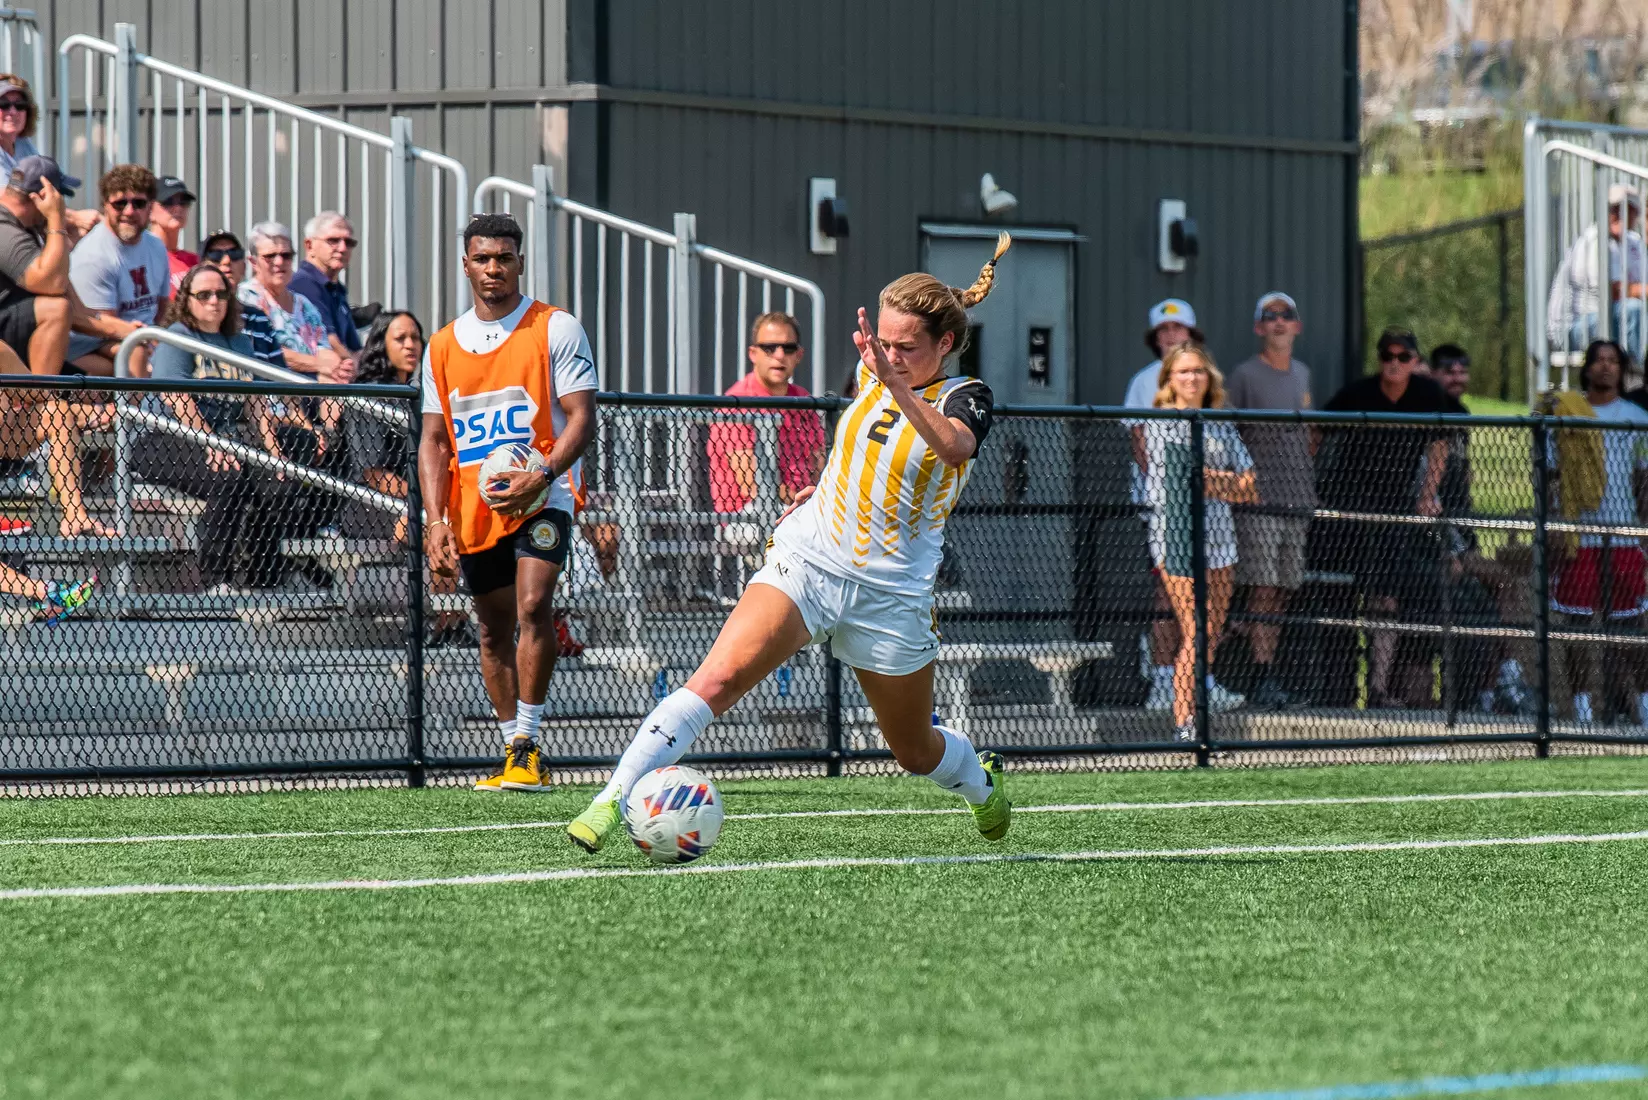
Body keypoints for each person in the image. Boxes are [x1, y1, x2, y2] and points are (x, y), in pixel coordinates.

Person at [565, 233, 1014, 854]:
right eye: (883, 341)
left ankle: (980, 783)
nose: (889, 355)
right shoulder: (874, 369)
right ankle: (609, 801)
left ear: (944, 344)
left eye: (907, 347)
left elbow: (953, 447)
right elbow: (861, 446)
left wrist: (897, 383)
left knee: (913, 751)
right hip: (810, 558)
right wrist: (824, 487)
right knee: (716, 679)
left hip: (892, 592)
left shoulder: (966, 397)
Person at [419, 212, 597, 793]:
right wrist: (435, 520)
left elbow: (582, 418)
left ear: (520, 262)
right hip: (475, 506)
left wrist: (542, 473)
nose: (494, 268)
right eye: (483, 258)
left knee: (532, 604)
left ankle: (529, 743)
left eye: (505, 257)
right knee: (493, 630)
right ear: (465, 264)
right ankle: (508, 751)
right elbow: (434, 439)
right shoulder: (442, 346)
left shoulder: (555, 327)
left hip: (544, 494)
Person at [134, 262, 298, 592]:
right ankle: (212, 581)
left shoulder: (238, 342)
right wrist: (212, 443)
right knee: (229, 478)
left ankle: (261, 582)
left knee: (277, 483)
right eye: (204, 294)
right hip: (164, 437)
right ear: (187, 300)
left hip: (221, 439)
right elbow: (177, 400)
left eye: (221, 293)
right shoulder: (176, 337)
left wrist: (274, 453)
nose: (214, 300)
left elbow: (254, 402)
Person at [1320, 327, 1459, 708]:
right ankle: (1336, 691)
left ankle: (1377, 687)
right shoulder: (1358, 393)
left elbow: (1441, 444)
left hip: (1395, 506)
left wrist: (1427, 495)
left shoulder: (1429, 395)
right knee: (1339, 593)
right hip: (1347, 502)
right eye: (1387, 356)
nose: (1394, 364)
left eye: (1403, 357)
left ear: (1415, 361)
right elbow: (1317, 428)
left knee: (1385, 596)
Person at [0, 156, 115, 537]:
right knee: (54, 311)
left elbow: (78, 310)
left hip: (10, 425)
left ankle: (75, 515)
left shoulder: (28, 229)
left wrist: (125, 333)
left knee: (57, 408)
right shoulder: (5, 223)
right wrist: (56, 221)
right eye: (57, 197)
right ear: (40, 195)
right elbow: (51, 288)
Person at [1146, 345, 1256, 740]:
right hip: (1176, 535)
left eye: (1199, 371)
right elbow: (1179, 480)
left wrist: (1209, 479)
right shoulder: (1158, 421)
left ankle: (1197, 709)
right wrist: (1220, 481)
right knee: (1196, 627)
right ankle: (1184, 720)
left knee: (1214, 627)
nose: (1192, 378)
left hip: (1221, 538)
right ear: (1169, 380)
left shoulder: (1220, 422)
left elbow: (1249, 485)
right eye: (1183, 372)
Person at [1551, 339, 1648, 725]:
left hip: (1623, 533)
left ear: (1622, 370)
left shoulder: (1637, 417)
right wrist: (1557, 525)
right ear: (1587, 367)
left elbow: (1643, 479)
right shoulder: (1568, 413)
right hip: (1580, 534)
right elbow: (1551, 474)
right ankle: (1581, 709)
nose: (1606, 368)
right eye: (1599, 360)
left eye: (1613, 361)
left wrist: (1643, 530)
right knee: (1576, 625)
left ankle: (1642, 704)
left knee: (1627, 625)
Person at [1225, 292, 1313, 708]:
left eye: (1287, 315)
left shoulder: (1303, 374)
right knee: (1261, 589)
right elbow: (1229, 436)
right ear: (1260, 327)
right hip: (1259, 503)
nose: (1279, 322)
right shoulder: (1243, 376)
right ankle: (1260, 675)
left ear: (1296, 326)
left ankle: (1271, 674)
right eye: (1270, 316)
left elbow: (1311, 436)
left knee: (1283, 592)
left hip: (1298, 500)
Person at [1125, 298, 1205, 712]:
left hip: (1205, 510)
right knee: (1166, 594)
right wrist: (1164, 491)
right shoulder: (1145, 380)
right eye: (1164, 331)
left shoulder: (1205, 380)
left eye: (1178, 329)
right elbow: (1139, 440)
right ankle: (1162, 681)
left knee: (1204, 594)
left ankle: (1196, 681)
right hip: (1163, 508)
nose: (1171, 336)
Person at [707, 311, 826, 514]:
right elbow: (752, 485)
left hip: (802, 509)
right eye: (769, 348)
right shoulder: (737, 401)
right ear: (753, 354)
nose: (780, 355)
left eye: (788, 348)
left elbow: (820, 465)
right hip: (747, 515)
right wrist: (808, 503)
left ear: (799, 355)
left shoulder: (802, 398)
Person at [66, 164, 171, 376]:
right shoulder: (94, 255)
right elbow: (103, 328)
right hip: (88, 345)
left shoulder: (157, 246)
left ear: (151, 207)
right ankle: (136, 409)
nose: (129, 211)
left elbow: (162, 311)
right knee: (136, 352)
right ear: (105, 205)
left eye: (139, 203)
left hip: (144, 337)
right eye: (120, 203)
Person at [237, 221, 354, 382]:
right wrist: (319, 365)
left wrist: (339, 367)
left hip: (309, 389)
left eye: (286, 255)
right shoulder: (244, 298)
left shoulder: (303, 303)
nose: (279, 262)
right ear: (253, 262)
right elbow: (260, 349)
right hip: (269, 393)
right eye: (270, 256)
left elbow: (323, 347)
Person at [1547, 184, 1647, 367]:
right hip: (1573, 329)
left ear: (1636, 214)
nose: (1618, 214)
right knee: (1633, 309)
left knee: (1635, 309)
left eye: (1626, 209)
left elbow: (1641, 287)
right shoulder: (1593, 241)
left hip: (1611, 321)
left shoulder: (1634, 243)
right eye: (1613, 209)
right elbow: (1616, 292)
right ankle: (1634, 376)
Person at [289, 212, 361, 353]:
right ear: (309, 245)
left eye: (349, 242)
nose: (342, 249)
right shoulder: (303, 283)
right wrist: (355, 369)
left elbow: (354, 345)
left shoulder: (336, 289)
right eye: (333, 240)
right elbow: (329, 341)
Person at [148, 176, 199, 292]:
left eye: (184, 202)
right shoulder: (142, 258)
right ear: (149, 210)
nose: (178, 208)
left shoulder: (194, 261)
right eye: (168, 202)